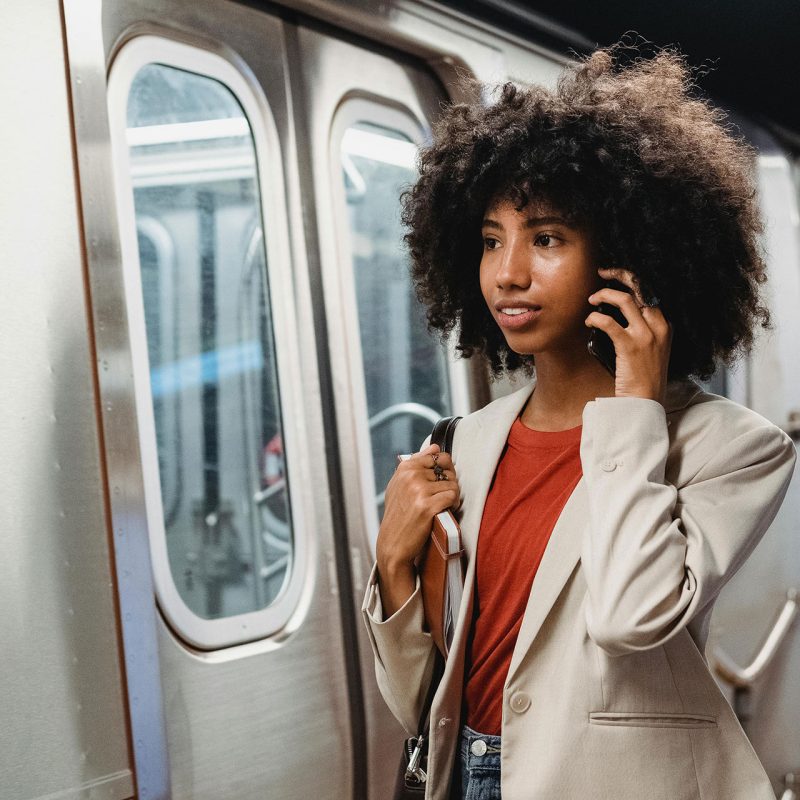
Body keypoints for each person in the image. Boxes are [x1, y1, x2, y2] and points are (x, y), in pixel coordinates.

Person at [361, 41, 797, 800]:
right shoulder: (466, 442)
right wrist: (395, 565)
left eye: (547, 238)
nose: (508, 273)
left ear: (626, 257)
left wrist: (634, 411)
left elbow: (632, 618)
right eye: (492, 240)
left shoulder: (732, 448)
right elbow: (419, 709)